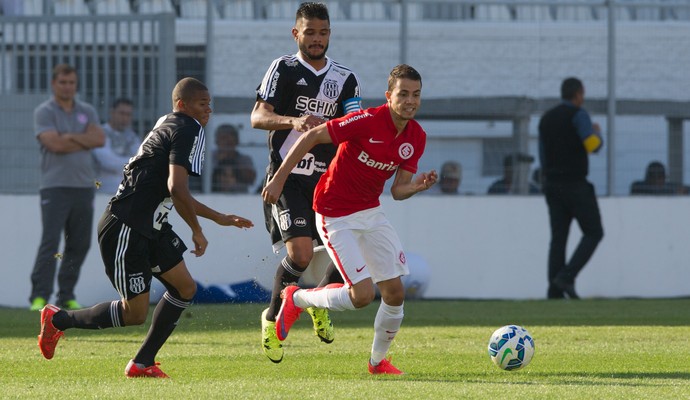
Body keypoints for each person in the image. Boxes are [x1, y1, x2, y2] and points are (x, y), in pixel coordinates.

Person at [36, 77, 254, 378]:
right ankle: (58, 319)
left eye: (210, 104)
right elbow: (176, 188)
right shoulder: (189, 127)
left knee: (185, 287)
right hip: (128, 226)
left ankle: (141, 364)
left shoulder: (169, 122)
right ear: (182, 105)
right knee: (134, 313)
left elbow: (174, 191)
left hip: (149, 225)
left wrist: (217, 217)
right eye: (202, 104)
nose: (209, 110)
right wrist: (197, 230)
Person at [263, 64, 437, 375]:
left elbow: (397, 191)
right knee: (362, 296)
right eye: (403, 94)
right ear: (389, 96)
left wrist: (417, 186)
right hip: (334, 212)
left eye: (416, 95)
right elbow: (314, 135)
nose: (410, 100)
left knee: (395, 293)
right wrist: (278, 178)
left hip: (371, 212)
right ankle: (297, 298)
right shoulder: (367, 120)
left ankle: (377, 362)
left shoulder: (416, 136)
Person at [250, 2, 362, 363]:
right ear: (296, 33)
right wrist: (292, 121)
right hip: (289, 177)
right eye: (310, 32)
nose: (317, 39)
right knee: (299, 254)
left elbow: (355, 126)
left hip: (328, 181)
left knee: (343, 251)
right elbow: (258, 117)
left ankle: (317, 302)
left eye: (323, 32)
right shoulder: (282, 68)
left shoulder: (345, 78)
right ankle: (270, 318)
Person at [30, 64, 106, 312]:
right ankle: (39, 297)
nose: (67, 86)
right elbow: (54, 145)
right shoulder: (44, 112)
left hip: (84, 187)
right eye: (63, 82)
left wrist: (69, 136)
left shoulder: (87, 110)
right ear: (54, 84)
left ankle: (66, 295)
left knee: (80, 243)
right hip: (55, 187)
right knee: (50, 243)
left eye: (71, 82)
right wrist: (81, 139)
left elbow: (99, 139)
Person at [538, 77, 604, 300]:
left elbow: (543, 156)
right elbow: (592, 146)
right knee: (594, 232)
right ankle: (566, 277)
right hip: (575, 184)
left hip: (552, 186)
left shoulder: (546, 119)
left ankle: (554, 291)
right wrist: (597, 133)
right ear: (578, 94)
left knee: (558, 238)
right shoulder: (579, 114)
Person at [93, 98, 141, 194]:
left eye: (128, 115)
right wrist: (131, 162)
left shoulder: (133, 137)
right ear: (112, 112)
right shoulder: (99, 133)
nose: (125, 118)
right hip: (102, 190)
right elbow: (108, 162)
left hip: (127, 193)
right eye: (122, 113)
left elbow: (140, 162)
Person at [211, 124, 256, 193]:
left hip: (240, 196)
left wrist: (232, 161)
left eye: (229, 142)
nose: (225, 144)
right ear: (217, 141)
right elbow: (202, 178)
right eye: (223, 139)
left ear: (236, 141)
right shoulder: (209, 158)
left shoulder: (244, 159)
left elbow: (251, 179)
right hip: (213, 194)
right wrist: (219, 162)